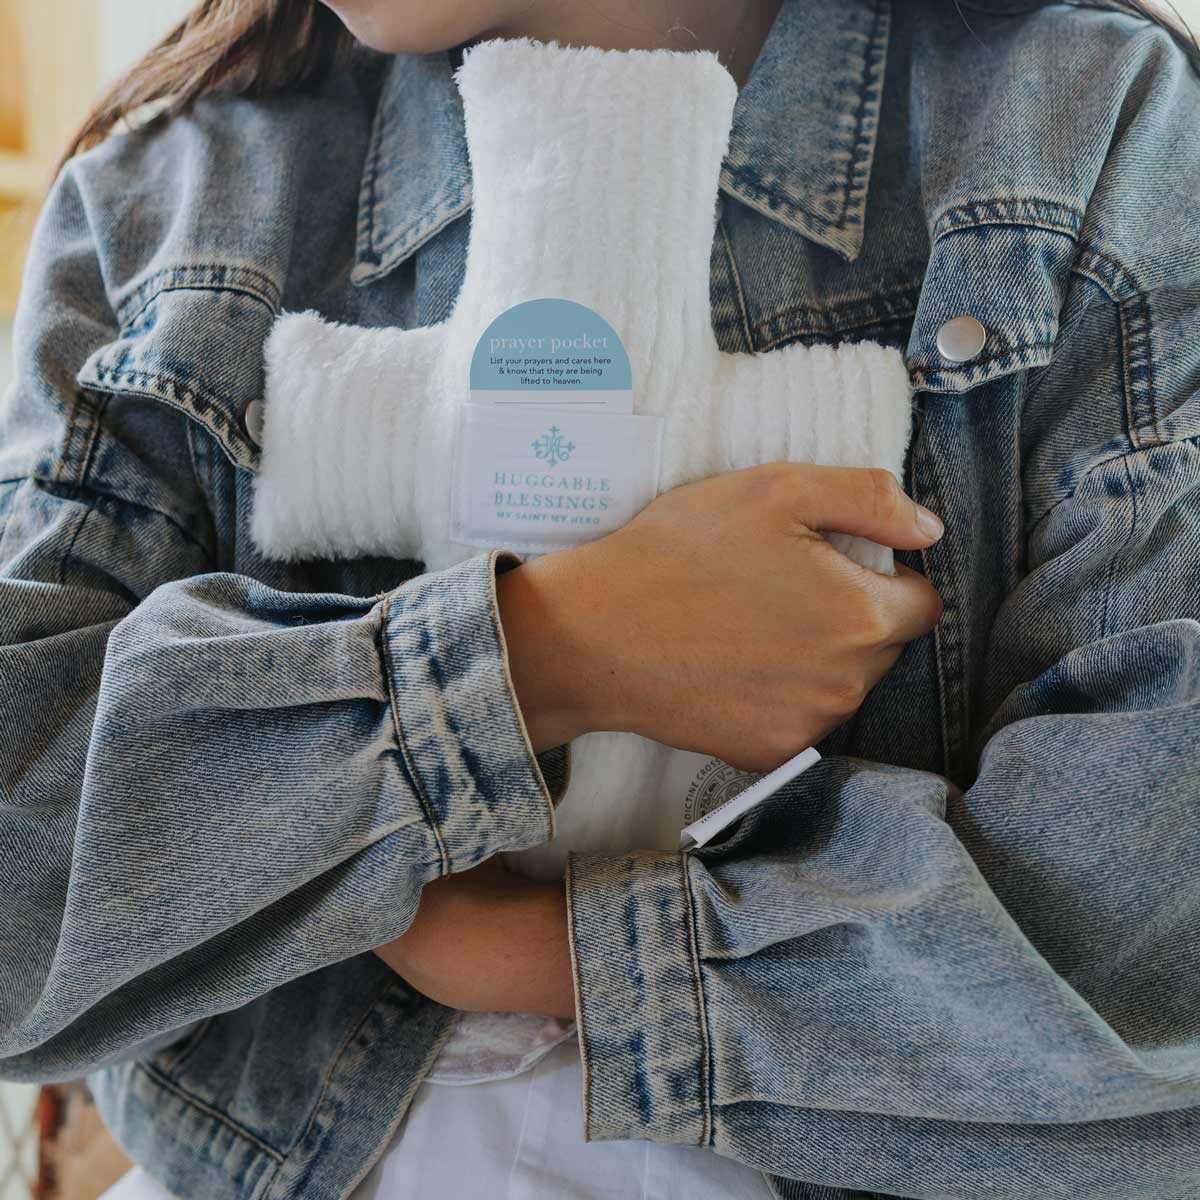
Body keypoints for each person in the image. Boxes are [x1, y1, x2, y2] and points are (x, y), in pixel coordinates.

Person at [0, 1, 1197, 1198]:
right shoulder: (169, 190)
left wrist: (535, 956)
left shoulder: (1084, 126)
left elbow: (1149, 961)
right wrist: (536, 659)